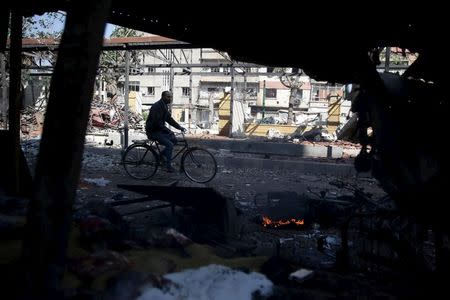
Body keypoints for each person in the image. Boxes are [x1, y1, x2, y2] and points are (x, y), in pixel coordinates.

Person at [145, 91, 186, 172]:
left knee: (174, 139)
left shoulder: (164, 106)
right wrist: (168, 131)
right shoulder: (157, 106)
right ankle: (168, 166)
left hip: (158, 130)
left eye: (171, 97)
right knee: (170, 145)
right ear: (162, 96)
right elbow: (157, 123)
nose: (170, 99)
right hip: (153, 131)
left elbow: (169, 119)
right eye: (168, 97)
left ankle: (160, 156)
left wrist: (179, 127)